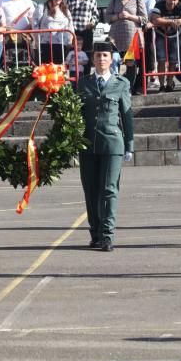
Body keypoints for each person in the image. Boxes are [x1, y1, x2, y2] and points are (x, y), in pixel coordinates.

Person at [77, 41, 134, 252]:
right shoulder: (83, 84)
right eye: (98, 55)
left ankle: (107, 235)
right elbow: (77, 114)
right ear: (93, 59)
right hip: (88, 144)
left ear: (111, 60)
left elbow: (126, 116)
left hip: (112, 142)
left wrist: (129, 144)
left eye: (105, 56)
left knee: (109, 189)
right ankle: (96, 233)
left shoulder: (121, 83)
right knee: (90, 190)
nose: (101, 59)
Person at [106, 0, 147, 93]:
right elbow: (107, 17)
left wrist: (129, 16)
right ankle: (115, 88)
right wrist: (118, 16)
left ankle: (127, 89)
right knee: (113, 62)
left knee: (130, 63)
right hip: (115, 38)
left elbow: (144, 19)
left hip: (131, 38)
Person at [151, 0, 181, 92]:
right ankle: (161, 84)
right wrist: (171, 22)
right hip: (161, 35)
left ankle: (169, 84)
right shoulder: (159, 5)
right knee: (161, 59)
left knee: (173, 60)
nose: (172, 2)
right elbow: (155, 19)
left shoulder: (180, 6)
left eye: (175, 0)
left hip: (176, 36)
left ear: (178, 0)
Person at [33, 0, 74, 64]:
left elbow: (70, 25)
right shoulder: (42, 7)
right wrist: (37, 43)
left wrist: (70, 41)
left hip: (62, 44)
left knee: (59, 69)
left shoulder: (65, 9)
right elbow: (35, 26)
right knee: (46, 68)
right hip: (45, 44)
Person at [66, 0, 99, 71]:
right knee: (73, 55)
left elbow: (95, 14)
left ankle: (86, 77)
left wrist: (93, 22)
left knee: (86, 55)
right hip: (74, 30)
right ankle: (74, 77)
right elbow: (66, 14)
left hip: (87, 30)